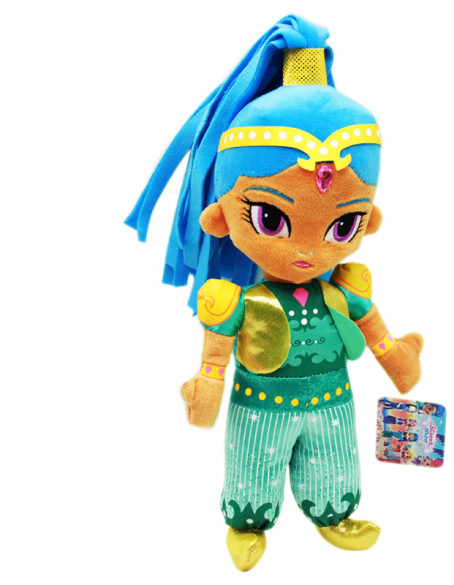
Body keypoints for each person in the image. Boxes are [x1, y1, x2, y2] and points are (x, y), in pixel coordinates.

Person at [126, 15, 423, 571]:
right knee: (252, 466)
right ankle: (247, 520)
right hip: (260, 405)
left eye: (342, 225)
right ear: (220, 217)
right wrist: (208, 385)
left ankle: (333, 512)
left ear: (369, 219)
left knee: (335, 459)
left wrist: (397, 358)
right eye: (270, 218)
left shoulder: (347, 287)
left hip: (332, 402)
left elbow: (372, 327)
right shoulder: (233, 300)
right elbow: (217, 348)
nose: (307, 251)